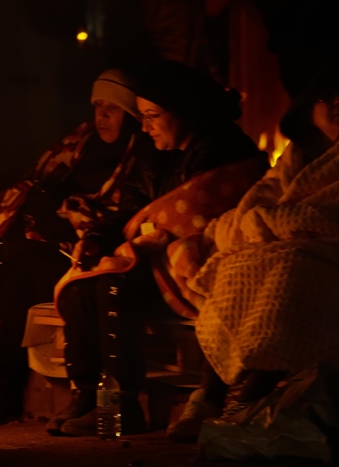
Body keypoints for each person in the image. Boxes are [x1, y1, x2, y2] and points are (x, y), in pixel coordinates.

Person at [165, 64, 339, 443]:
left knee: (287, 272)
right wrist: (259, 225)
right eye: (326, 97)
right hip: (294, 241)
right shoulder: (299, 152)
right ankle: (211, 396)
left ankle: (244, 399)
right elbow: (258, 201)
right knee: (232, 266)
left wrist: (284, 224)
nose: (336, 104)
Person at [49, 61, 264, 437]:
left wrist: (154, 238)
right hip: (151, 255)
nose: (144, 126)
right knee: (82, 285)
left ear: (184, 112)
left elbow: (204, 216)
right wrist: (98, 238)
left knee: (112, 284)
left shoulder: (222, 148)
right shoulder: (152, 154)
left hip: (193, 261)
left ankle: (122, 406)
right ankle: (88, 396)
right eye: (142, 116)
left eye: (152, 116)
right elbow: (132, 213)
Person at [0, 69, 157, 427]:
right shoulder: (81, 144)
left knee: (22, 275)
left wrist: (70, 222)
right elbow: (37, 180)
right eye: (97, 106)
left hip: (89, 249)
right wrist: (39, 206)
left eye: (112, 109)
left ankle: (2, 384)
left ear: (132, 114)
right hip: (47, 242)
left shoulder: (139, 157)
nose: (101, 117)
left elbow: (124, 214)